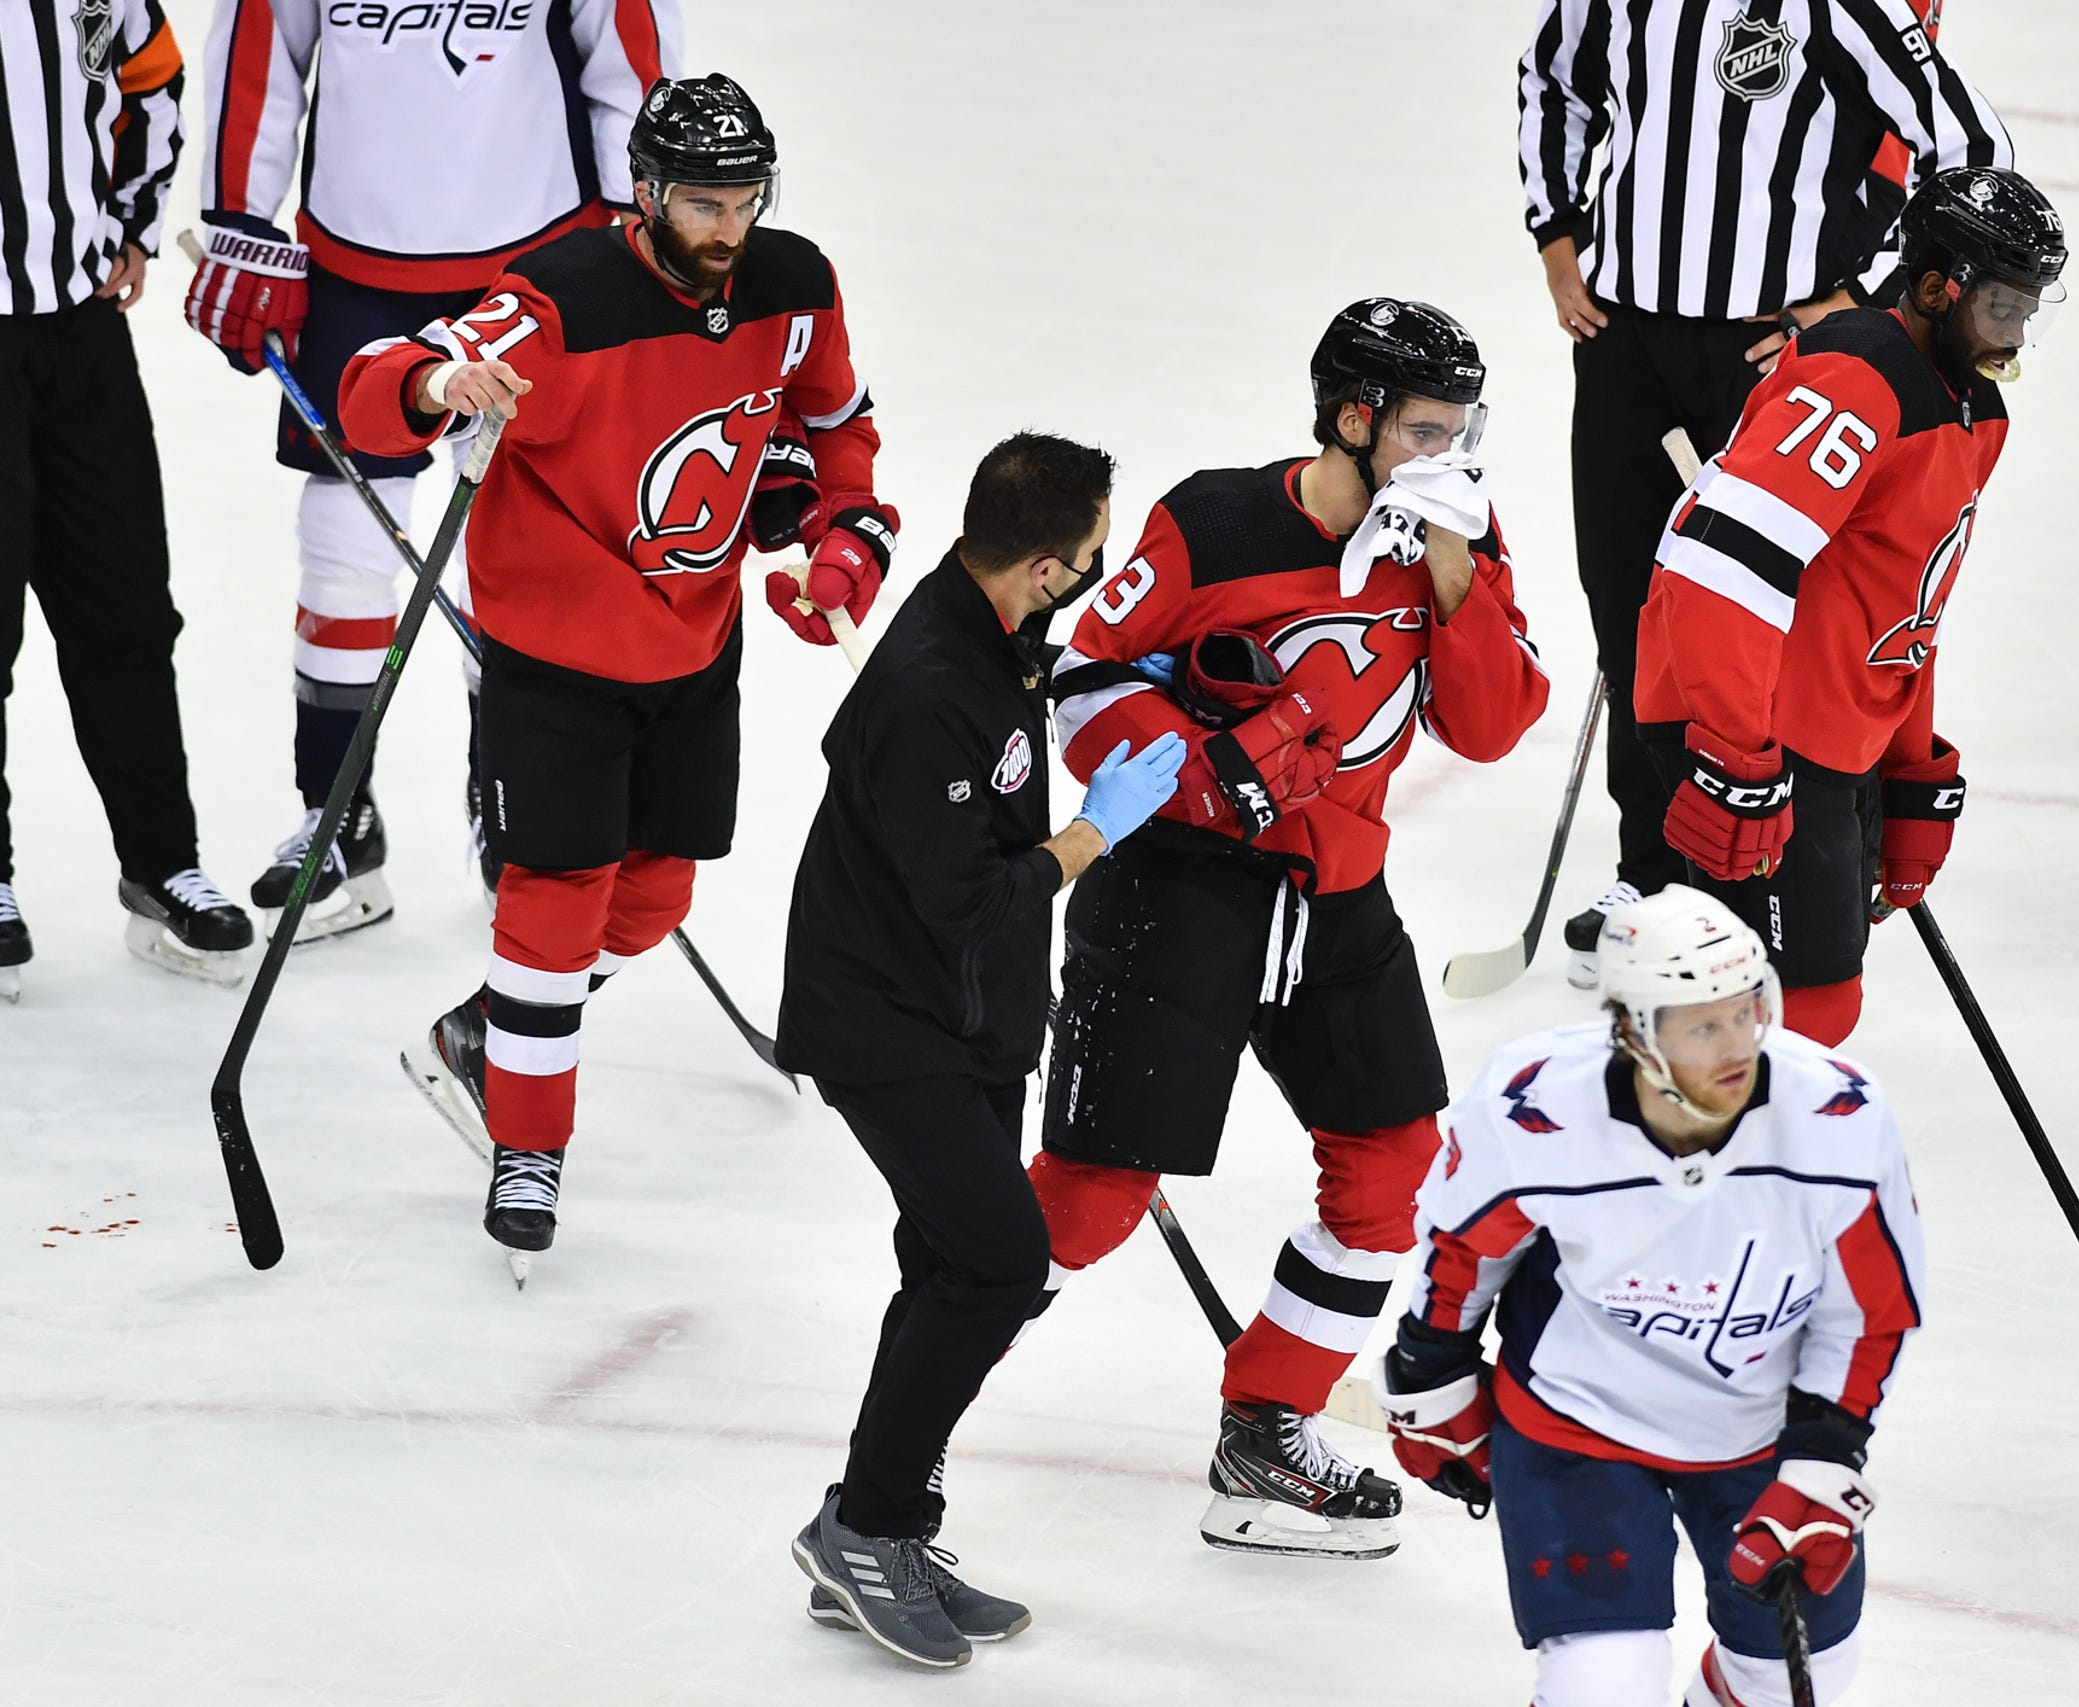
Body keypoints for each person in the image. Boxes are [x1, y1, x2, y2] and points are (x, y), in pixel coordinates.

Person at [339, 74, 894, 1279]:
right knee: (554, 897)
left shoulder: (793, 287)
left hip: (694, 643)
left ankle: (493, 1030)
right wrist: (440, 387)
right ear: (645, 194)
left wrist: (839, 546)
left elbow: (835, 429)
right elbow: (376, 386)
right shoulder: (562, 299)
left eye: (746, 199)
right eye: (703, 203)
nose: (729, 229)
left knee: (653, 899)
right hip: (555, 659)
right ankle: (527, 1143)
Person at [1031, 299, 1550, 1559]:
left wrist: (1455, 576)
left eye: (1463, 425)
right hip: (1180, 893)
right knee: (1092, 1202)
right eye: (1427, 426)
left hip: (1337, 898)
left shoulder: (1461, 534)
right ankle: (917, 1400)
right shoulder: (1214, 522)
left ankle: (1267, 1431)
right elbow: (1083, 679)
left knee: (1391, 1170)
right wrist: (1202, 767)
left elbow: (1488, 726)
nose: (1451, 450)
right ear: (1352, 418)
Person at [777, 433, 1185, 1672]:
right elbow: (967, 898)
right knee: (999, 1261)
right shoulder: (926, 689)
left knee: (947, 1263)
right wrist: (1092, 836)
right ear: (1051, 563)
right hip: (885, 1020)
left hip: (964, 1016)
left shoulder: (987, 618)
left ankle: (875, 1529)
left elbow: (1018, 683)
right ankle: (868, 1529)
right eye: (1095, 556)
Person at [1516, 0, 2011, 986]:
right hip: (1623, 343)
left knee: (1781, 622)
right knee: (1632, 614)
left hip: (1770, 353)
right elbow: (1553, 79)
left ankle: (1811, 864)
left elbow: (1970, 151)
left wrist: (1861, 298)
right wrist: (1557, 231)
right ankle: (1658, 879)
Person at [185, 0, 678, 938]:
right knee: (342, 545)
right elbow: (262, 47)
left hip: (539, 258)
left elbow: (630, 57)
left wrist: (637, 228)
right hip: (355, 258)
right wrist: (242, 222)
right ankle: (337, 816)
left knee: (523, 550)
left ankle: (516, 818)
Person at [1380, 887, 1924, 1707]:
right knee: (1599, 1684)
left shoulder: (1837, 1116)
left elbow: (1870, 1308)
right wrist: (1430, 1368)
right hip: (1577, 1421)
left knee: (1785, 1684)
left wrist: (1825, 1453)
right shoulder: (1535, 1108)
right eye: (1703, 1025)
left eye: (1746, 1011)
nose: (1736, 1044)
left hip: (1759, 1427)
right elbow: (1463, 1251)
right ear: (1634, 1028)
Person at [1632, 166, 2067, 1045]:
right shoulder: (1855, 382)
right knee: (1776, 1021)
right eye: (2001, 309)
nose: (2015, 336)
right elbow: (1719, 572)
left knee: (1812, 1017)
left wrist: (1909, 770)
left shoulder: (1975, 413)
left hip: (1831, 740)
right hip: (1760, 737)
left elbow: (1910, 606)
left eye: (2030, 311)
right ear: (1939, 286)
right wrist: (1733, 757)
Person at [0, 0, 254, 999]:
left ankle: (160, 863)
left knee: (126, 611)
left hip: (80, 335)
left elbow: (145, 74)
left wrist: (132, 225)